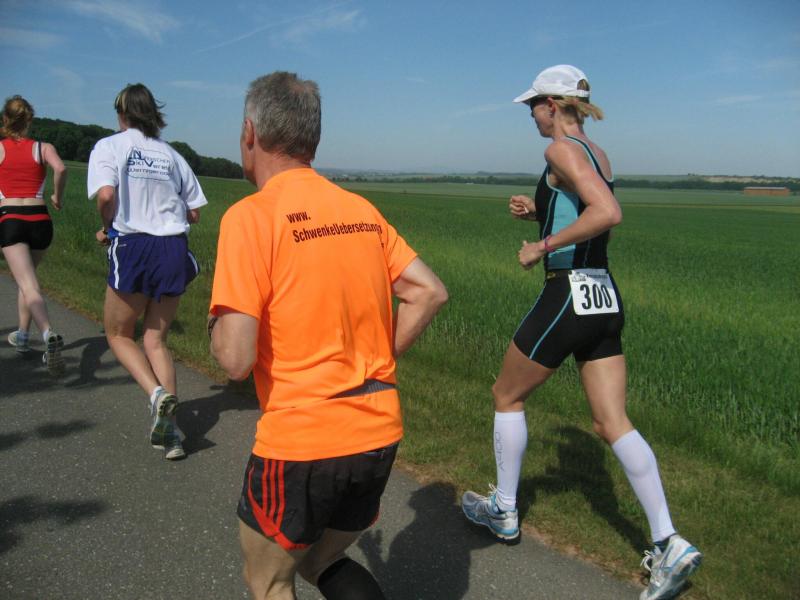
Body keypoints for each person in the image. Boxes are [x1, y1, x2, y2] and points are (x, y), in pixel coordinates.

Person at [460, 65, 702, 600]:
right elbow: (587, 212)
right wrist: (540, 213)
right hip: (604, 296)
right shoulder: (597, 152)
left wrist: (541, 246)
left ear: (552, 104)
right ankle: (669, 542)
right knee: (612, 421)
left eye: (533, 106)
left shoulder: (559, 150)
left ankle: (504, 510)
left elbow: (607, 213)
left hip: (568, 293)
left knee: (506, 394)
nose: (531, 115)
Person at [208, 71, 447, 600]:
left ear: (250, 133)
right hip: (377, 431)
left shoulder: (251, 217)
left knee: (269, 581)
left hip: (301, 442)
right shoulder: (359, 210)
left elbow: (235, 359)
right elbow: (428, 291)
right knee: (323, 560)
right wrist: (377, 357)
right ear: (311, 139)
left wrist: (214, 325)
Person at [87, 83, 208, 460]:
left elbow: (106, 195)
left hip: (135, 246)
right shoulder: (172, 154)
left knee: (118, 334)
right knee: (156, 339)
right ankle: (172, 435)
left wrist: (107, 227)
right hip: (173, 249)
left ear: (122, 113)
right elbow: (194, 211)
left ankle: (156, 395)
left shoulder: (109, 146)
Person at [0, 95, 67, 374]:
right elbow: (60, 168)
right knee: (27, 280)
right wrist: (57, 196)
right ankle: (23, 336)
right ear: (29, 120)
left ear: (5, 119)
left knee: (28, 284)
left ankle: (48, 333)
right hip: (40, 220)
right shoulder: (43, 148)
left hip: (11, 219)